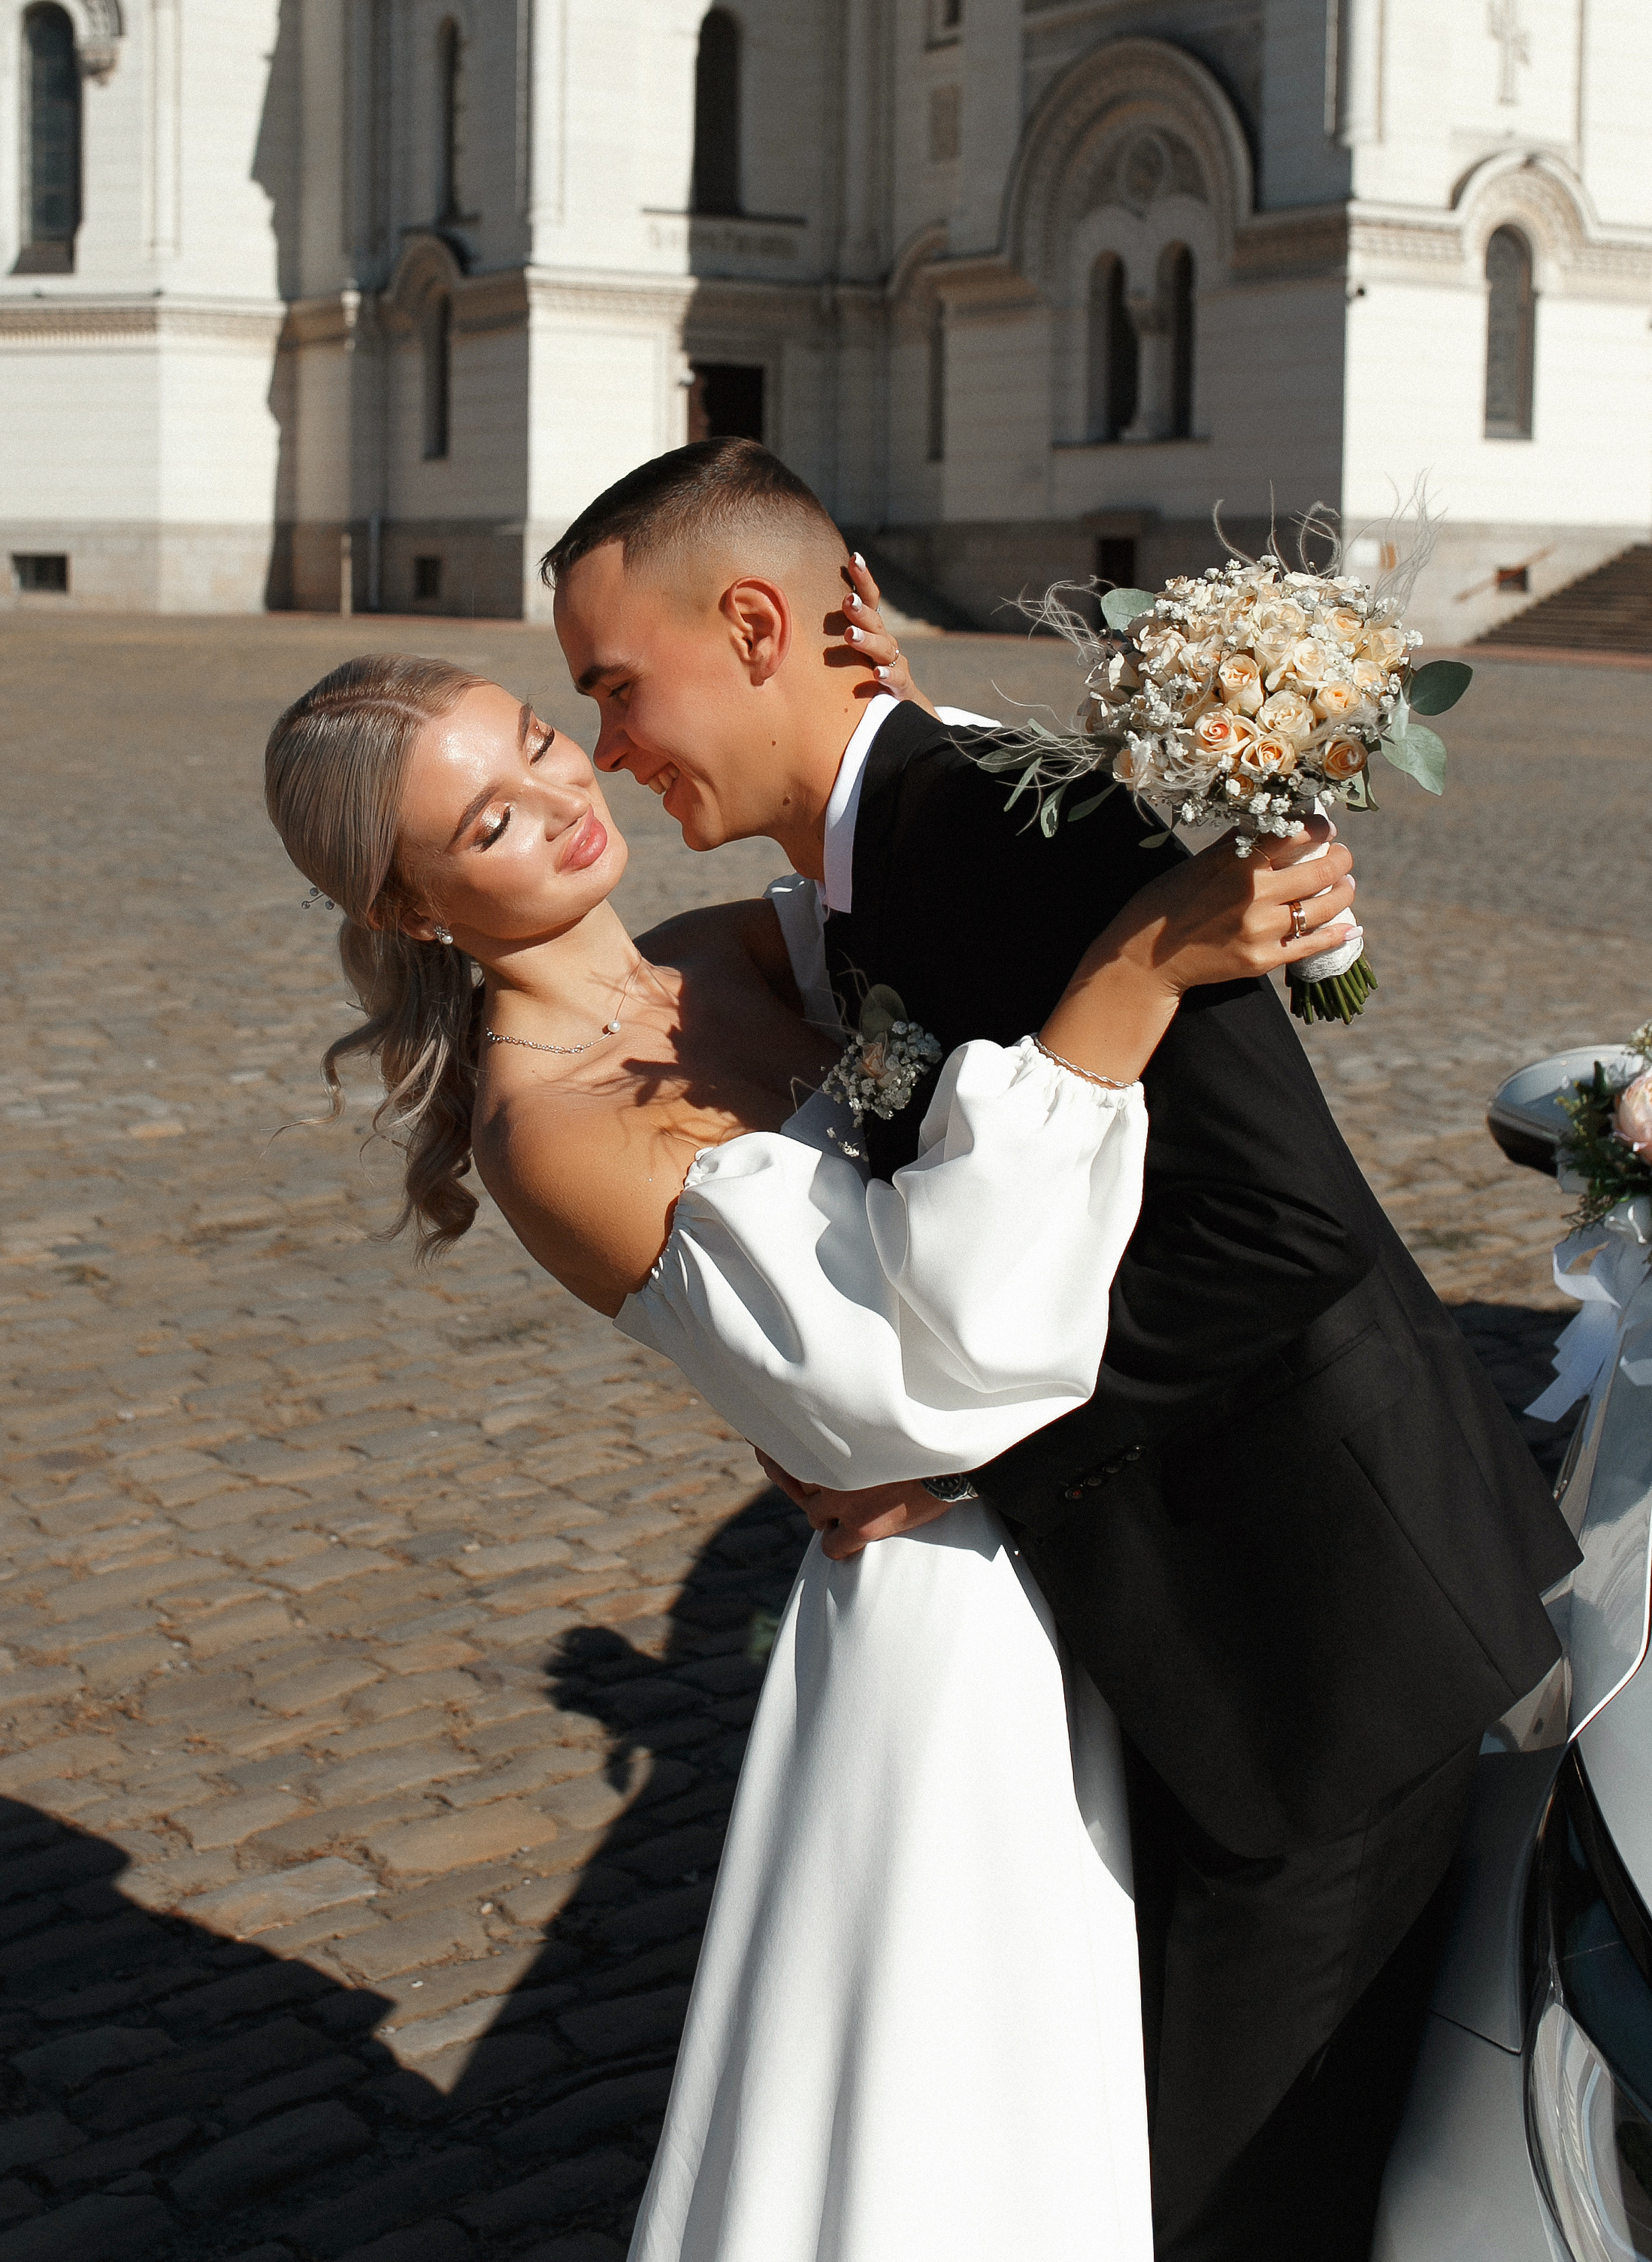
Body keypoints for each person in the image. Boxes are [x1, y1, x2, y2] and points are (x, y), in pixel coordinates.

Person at [543, 437, 1580, 2262]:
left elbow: (1278, 1237)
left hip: (1324, 1630)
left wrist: (951, 1461)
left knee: (1234, 2198)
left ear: (761, 622)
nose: (612, 749)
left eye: (615, 689)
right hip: (1210, 1634)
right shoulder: (880, 865)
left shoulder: (1016, 841)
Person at [262, 650, 1359, 2260]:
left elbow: (934, 873)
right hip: (957, 1628)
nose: (563, 802)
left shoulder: (730, 952)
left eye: (544, 744)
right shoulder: (548, 1128)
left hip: (1098, 1531)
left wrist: (903, 720)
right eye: (487, 823)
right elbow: (915, 1403)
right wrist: (1121, 988)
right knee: (976, 2121)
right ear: (416, 910)